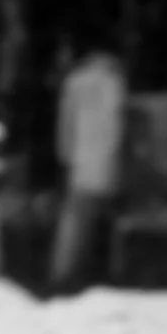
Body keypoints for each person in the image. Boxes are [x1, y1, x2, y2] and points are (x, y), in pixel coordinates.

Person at [49, 33, 127, 294]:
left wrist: (65, 155)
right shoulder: (114, 81)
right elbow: (117, 124)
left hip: (80, 162)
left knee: (74, 220)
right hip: (107, 160)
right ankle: (109, 273)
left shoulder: (74, 81)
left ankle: (63, 273)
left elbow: (66, 123)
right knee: (110, 220)